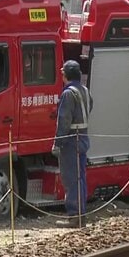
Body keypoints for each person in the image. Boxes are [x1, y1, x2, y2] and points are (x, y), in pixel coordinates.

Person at [52, 60, 93, 228]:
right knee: (80, 177)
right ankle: (81, 214)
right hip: (83, 137)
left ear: (66, 74)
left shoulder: (69, 93)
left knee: (71, 178)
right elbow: (90, 107)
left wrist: (57, 143)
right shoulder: (84, 90)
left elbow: (64, 120)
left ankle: (74, 216)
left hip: (70, 140)